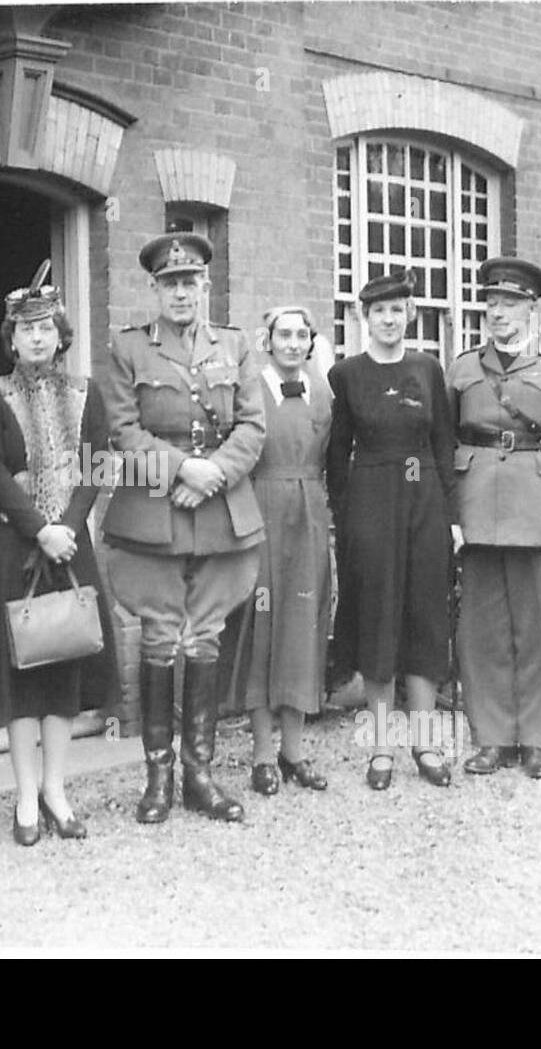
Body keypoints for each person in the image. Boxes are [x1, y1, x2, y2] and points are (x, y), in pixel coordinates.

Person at [104, 232, 265, 824]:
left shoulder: (235, 344)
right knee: (158, 635)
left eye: (189, 282)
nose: (180, 292)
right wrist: (182, 468)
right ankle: (158, 778)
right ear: (154, 289)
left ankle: (201, 774)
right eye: (169, 283)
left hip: (220, 507)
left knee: (205, 635)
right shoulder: (128, 349)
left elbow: (253, 426)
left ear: (204, 286)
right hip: (154, 505)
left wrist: (212, 474)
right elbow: (122, 431)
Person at [0, 266, 117, 845]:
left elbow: (97, 468)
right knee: (22, 674)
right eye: (25, 330)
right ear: (11, 339)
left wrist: (67, 529)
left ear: (60, 334)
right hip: (15, 546)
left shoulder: (86, 394)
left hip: (72, 549)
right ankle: (25, 798)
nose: (36, 338)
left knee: (64, 670)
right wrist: (39, 530)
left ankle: (57, 789)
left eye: (46, 328)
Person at [446, 257, 541, 781]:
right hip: (478, 508)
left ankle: (535, 740)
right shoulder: (463, 367)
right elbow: (444, 443)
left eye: (509, 304)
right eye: (490, 304)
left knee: (536, 629)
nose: (498, 313)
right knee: (482, 631)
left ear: (531, 308)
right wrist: (450, 517)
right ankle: (491, 738)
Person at [328, 270, 458, 791]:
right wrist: (346, 516)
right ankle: (381, 745)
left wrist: (451, 516)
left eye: (397, 310)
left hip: (424, 498)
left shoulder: (427, 369)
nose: (388, 319)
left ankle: (425, 743)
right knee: (379, 618)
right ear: (364, 317)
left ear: (410, 315)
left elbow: (445, 444)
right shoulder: (346, 375)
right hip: (371, 502)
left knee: (424, 617)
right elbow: (337, 454)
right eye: (378, 311)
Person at [233, 306, 333, 795]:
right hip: (262, 509)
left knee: (303, 626)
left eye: (301, 335)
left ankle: (294, 752)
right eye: (283, 335)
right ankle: (262, 755)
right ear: (267, 341)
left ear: (310, 342)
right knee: (263, 627)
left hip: (310, 512)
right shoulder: (251, 389)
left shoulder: (323, 390)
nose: (293, 343)